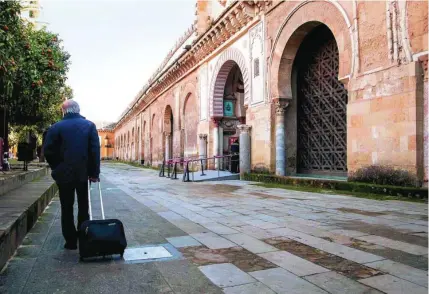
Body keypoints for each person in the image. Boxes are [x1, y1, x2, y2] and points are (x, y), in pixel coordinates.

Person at [44, 100, 100, 250]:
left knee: (66, 207)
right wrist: (94, 173)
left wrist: (58, 167)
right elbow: (94, 151)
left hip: (64, 175)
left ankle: (70, 241)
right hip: (84, 174)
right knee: (83, 206)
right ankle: (83, 237)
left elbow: (48, 151)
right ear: (78, 110)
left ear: (64, 111)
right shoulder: (89, 126)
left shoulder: (55, 127)